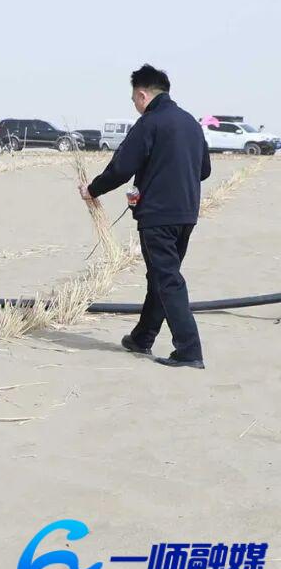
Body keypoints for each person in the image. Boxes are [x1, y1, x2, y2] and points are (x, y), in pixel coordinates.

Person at [80, 64, 210, 369]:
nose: (136, 106)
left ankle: (189, 349)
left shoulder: (150, 123)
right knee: (161, 277)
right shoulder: (191, 123)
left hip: (158, 216)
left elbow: (122, 167)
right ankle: (142, 338)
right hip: (186, 214)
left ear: (142, 94)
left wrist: (93, 189)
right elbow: (204, 170)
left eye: (134, 100)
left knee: (167, 280)